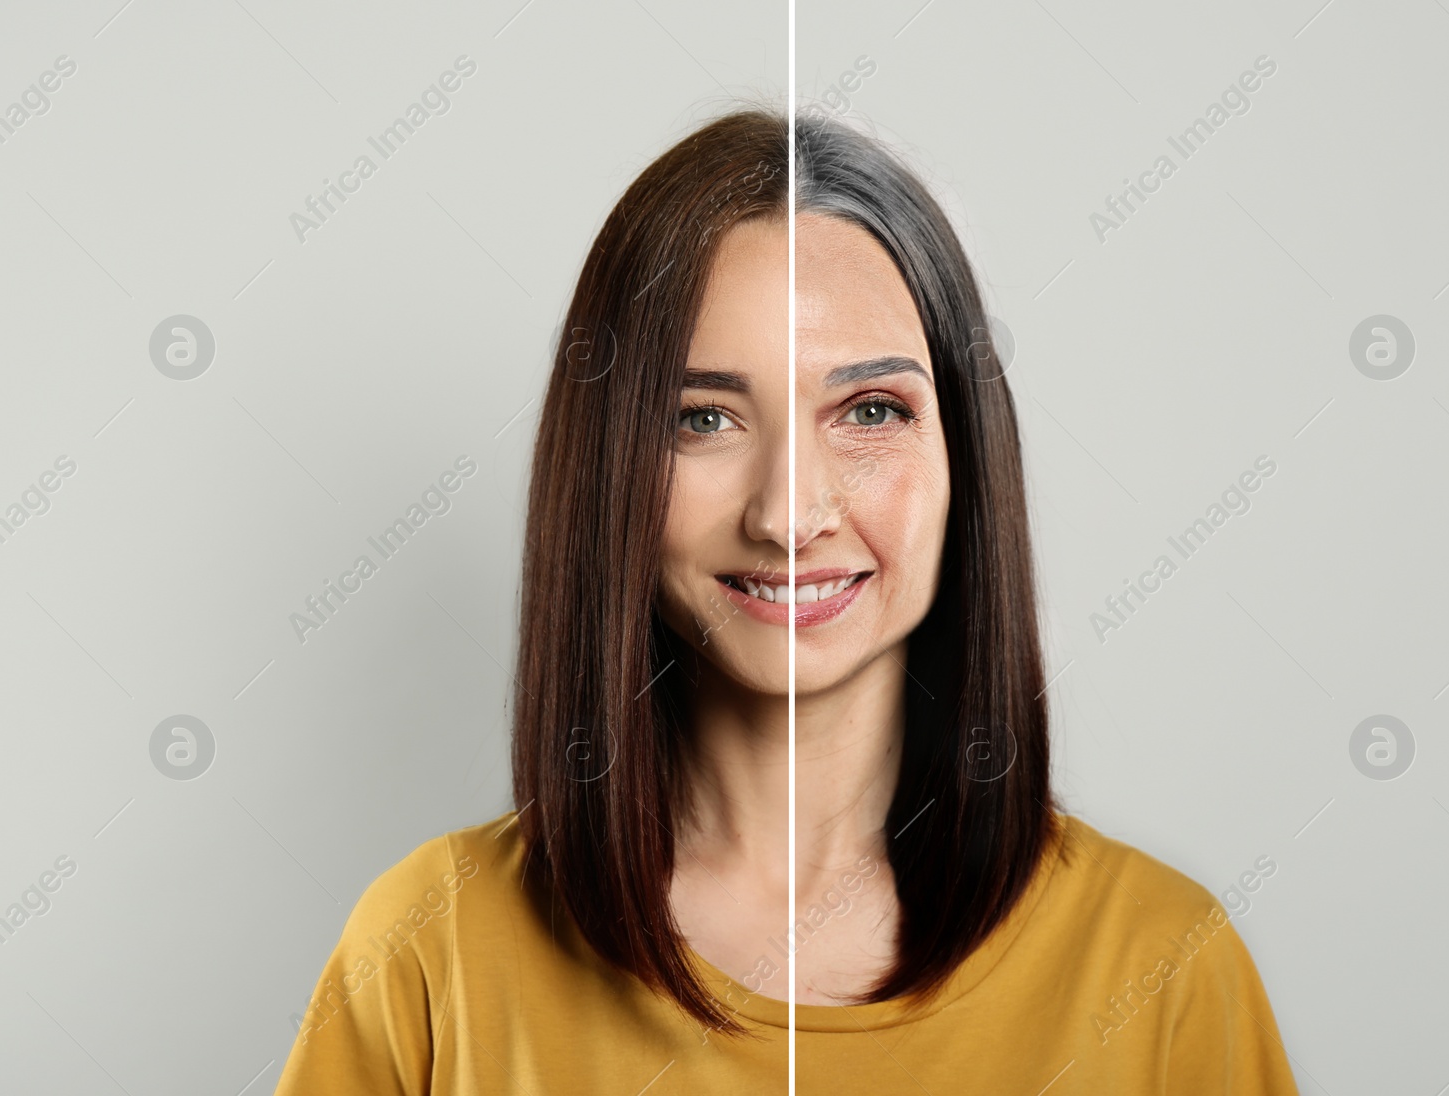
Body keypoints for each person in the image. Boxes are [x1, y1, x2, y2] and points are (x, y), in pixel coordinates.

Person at [273, 107, 1300, 1094]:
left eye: (868, 410)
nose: (788, 511)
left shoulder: (1164, 970)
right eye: (704, 418)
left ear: (965, 464)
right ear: (608, 467)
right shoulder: (425, 954)